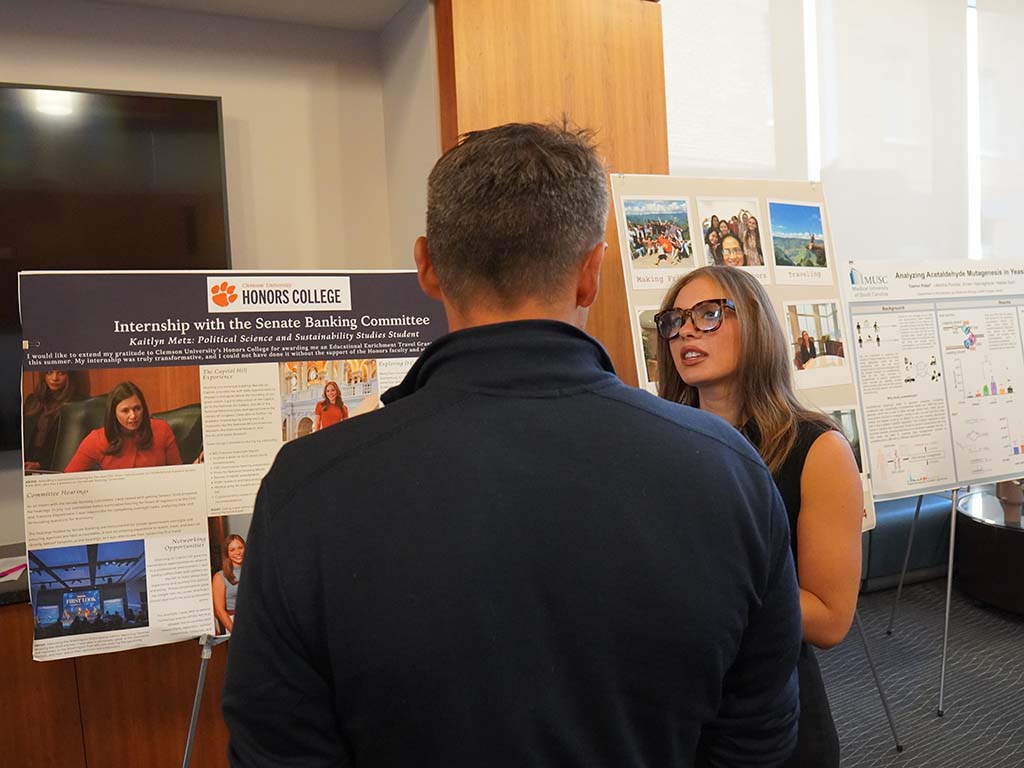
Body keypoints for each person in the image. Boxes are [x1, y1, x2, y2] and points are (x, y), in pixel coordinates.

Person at [222, 122, 801, 768]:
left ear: (427, 267)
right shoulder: (730, 473)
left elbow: (276, 747)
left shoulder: (307, 489)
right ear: (592, 273)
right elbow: (757, 737)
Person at [655, 265, 863, 768]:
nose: (684, 331)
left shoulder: (818, 448)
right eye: (674, 319)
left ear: (755, 324)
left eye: (708, 315)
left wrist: (702, 586)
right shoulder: (656, 439)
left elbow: (831, 618)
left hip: (765, 705)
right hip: (670, 701)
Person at [64, 382, 182, 472]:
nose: (133, 416)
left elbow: (179, 474)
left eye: (137, 408)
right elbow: (69, 479)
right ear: (114, 413)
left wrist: (197, 465)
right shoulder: (97, 439)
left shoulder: (161, 430)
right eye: (125, 411)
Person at [23, 370, 88, 471]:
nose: (54, 378)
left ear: (70, 376)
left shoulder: (77, 405)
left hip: (54, 465)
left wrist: (40, 464)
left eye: (61, 373)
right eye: (49, 372)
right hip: (26, 461)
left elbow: (73, 446)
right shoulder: (33, 400)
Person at [212, 534, 245, 633]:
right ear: (227, 553)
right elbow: (219, 610)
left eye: (240, 548)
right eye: (232, 550)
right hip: (235, 622)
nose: (238, 552)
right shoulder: (220, 576)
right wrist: (235, 633)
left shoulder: (254, 571)